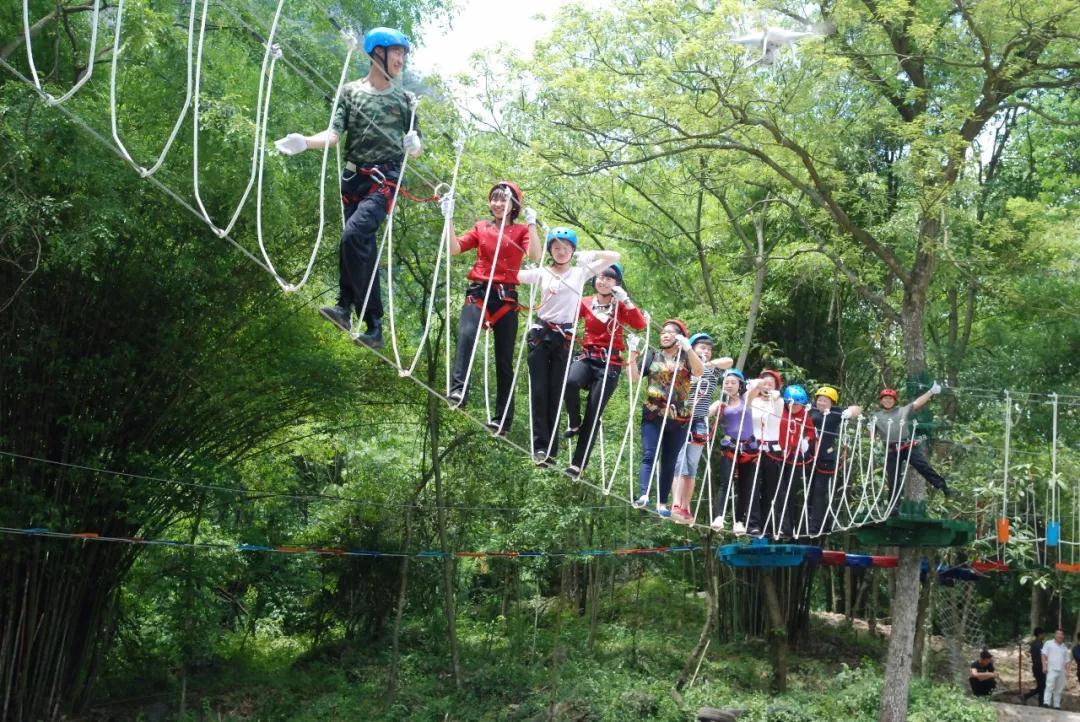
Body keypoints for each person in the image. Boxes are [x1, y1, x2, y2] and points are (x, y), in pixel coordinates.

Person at [276, 27, 424, 348]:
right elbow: (333, 135)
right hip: (353, 179)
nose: (401, 60)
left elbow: (416, 147)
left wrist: (414, 145)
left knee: (353, 236)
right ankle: (360, 318)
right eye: (396, 52)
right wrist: (305, 142)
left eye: (403, 54)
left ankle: (357, 312)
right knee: (357, 246)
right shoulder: (350, 92)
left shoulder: (404, 100)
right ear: (378, 53)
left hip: (384, 180)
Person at [444, 181, 541, 434]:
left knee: (504, 360)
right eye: (494, 199)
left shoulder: (520, 231)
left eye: (503, 199)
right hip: (479, 292)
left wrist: (532, 224)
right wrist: (449, 219)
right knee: (466, 336)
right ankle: (458, 390)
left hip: (505, 299)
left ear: (513, 205)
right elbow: (454, 248)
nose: (497, 204)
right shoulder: (482, 227)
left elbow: (535, 255)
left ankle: (503, 419)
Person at [516, 228, 618, 465]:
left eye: (566, 248)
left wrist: (590, 254)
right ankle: (540, 447)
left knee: (556, 392)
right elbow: (513, 275)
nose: (561, 252)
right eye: (556, 248)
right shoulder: (542, 272)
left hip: (564, 339)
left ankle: (550, 450)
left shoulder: (580, 272)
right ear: (550, 251)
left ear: (572, 251)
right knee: (539, 391)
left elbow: (614, 257)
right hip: (541, 334)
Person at [563, 263, 646, 477]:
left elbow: (640, 325)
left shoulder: (620, 307)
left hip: (610, 363)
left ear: (616, 284)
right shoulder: (586, 302)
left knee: (593, 412)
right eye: (601, 277)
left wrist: (626, 301)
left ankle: (578, 464)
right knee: (570, 382)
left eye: (609, 279)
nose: (603, 282)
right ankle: (574, 421)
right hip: (588, 356)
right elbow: (568, 316)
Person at [628, 319, 705, 517]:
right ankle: (644, 494)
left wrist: (689, 349)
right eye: (663, 332)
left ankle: (662, 502)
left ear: (679, 337)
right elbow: (634, 377)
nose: (665, 335)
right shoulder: (653, 355)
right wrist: (632, 353)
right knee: (649, 454)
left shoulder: (686, 357)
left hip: (678, 418)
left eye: (670, 332)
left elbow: (699, 371)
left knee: (669, 462)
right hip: (653, 413)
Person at [670, 334, 733, 524]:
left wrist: (707, 363)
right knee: (679, 463)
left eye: (709, 348)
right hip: (681, 418)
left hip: (699, 421)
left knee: (692, 466)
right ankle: (676, 504)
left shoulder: (712, 370)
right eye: (702, 347)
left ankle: (685, 507)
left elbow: (729, 362)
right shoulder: (683, 365)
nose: (706, 351)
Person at [870, 384, 952, 504]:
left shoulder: (902, 410)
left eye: (890, 399)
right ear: (881, 401)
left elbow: (917, 403)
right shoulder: (876, 416)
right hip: (892, 450)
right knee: (893, 478)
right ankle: (893, 506)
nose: (888, 401)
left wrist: (931, 391)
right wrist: (872, 438)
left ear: (894, 401)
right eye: (885, 398)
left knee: (923, 466)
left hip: (907, 446)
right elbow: (872, 431)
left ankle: (943, 486)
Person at [707, 369, 764, 533]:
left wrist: (752, 384)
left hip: (748, 448)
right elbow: (706, 413)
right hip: (730, 446)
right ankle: (719, 517)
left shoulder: (746, 398)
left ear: (740, 385)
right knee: (725, 483)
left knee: (745, 486)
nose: (729, 385)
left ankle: (739, 521)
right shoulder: (720, 403)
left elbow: (760, 385)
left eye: (733, 382)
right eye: (726, 383)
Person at [805, 386, 861, 536]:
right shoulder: (811, 410)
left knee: (819, 491)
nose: (821, 403)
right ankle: (821, 523)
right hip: (810, 457)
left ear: (832, 403)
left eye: (825, 400)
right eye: (819, 400)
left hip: (826, 459)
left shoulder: (836, 413)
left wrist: (849, 412)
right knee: (810, 491)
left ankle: (816, 527)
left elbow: (857, 409)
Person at [774, 384, 816, 538]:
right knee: (779, 491)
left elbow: (811, 431)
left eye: (800, 405)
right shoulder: (780, 411)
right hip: (777, 455)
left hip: (794, 456)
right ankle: (777, 525)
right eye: (794, 404)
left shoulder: (804, 414)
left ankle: (788, 527)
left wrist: (806, 440)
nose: (797, 407)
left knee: (790, 492)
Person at [750, 369, 787, 537]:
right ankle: (753, 524)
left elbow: (777, 395)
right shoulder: (752, 400)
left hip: (773, 450)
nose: (767, 386)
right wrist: (756, 387)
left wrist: (770, 391)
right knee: (753, 487)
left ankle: (772, 525)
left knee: (772, 489)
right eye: (764, 383)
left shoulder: (778, 401)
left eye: (770, 384)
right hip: (754, 448)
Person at [1043, 628, 1070, 709]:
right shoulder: (1048, 643)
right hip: (1051, 669)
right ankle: (1046, 702)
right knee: (1049, 686)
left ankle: (1056, 705)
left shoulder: (1064, 647)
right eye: (1058, 634)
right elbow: (1043, 655)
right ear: (1055, 635)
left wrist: (1067, 672)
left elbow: (1067, 661)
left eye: (1061, 634)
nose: (1060, 636)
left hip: (1062, 671)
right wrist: (1044, 666)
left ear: (1063, 636)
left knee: (1059, 689)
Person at [1022, 627, 1047, 706]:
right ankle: (1041, 703)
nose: (1044, 636)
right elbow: (1040, 657)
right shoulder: (1038, 645)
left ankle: (1027, 696)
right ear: (1039, 634)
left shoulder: (1037, 643)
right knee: (1042, 686)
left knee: (1041, 686)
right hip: (1039, 668)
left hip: (1037, 667)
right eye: (1043, 634)